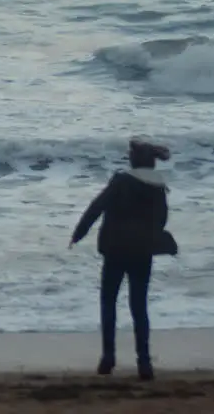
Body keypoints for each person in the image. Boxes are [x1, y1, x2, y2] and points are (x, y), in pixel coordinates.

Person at [69, 138, 173, 379]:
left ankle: (107, 359)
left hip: (115, 250)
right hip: (142, 253)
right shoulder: (158, 188)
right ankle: (144, 363)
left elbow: (96, 207)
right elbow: (161, 220)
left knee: (108, 303)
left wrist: (79, 233)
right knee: (139, 307)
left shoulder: (121, 182)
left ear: (133, 162)